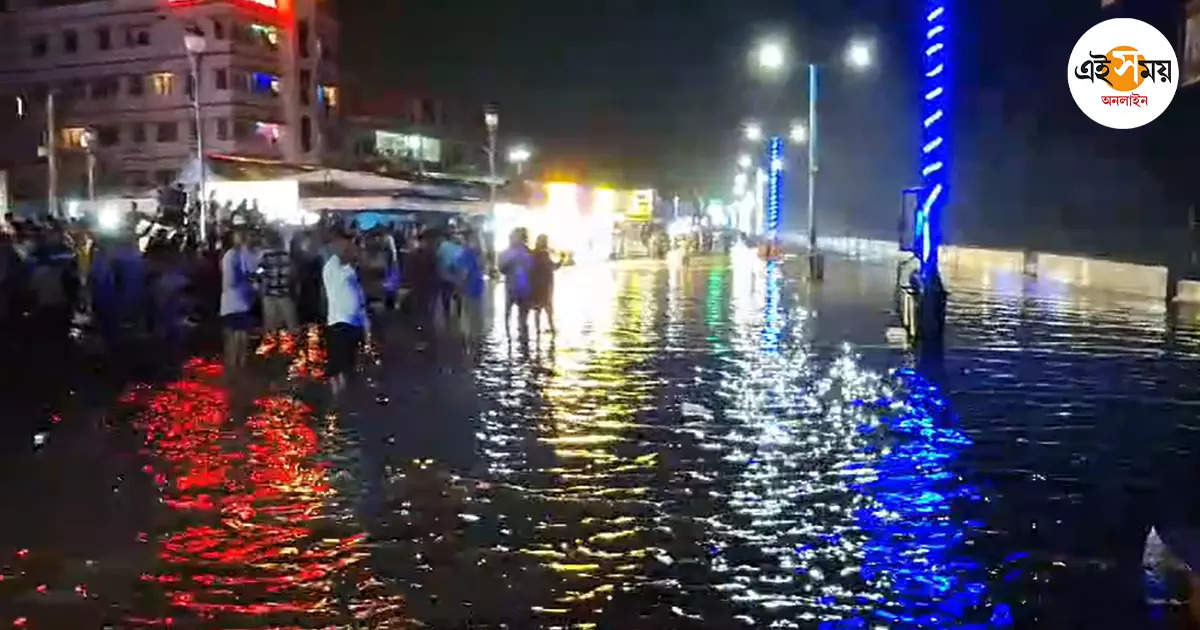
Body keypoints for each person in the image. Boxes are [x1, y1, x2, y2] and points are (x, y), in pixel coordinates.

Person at [323, 230, 370, 396]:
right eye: (349, 247)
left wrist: (366, 327)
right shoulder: (332, 267)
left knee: (350, 363)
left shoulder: (350, 271)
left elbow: (360, 300)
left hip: (354, 324)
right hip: (339, 323)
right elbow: (342, 251)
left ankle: (346, 396)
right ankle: (336, 397)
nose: (353, 251)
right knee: (338, 363)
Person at [219, 227, 257, 371]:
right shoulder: (237, 255)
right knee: (240, 333)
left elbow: (229, 280)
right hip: (240, 299)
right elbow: (249, 273)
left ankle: (233, 365)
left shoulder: (232, 255)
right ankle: (239, 364)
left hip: (233, 300)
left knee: (234, 333)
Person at [258, 229, 299, 353]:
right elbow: (294, 275)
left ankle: (272, 355)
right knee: (291, 327)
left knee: (270, 328)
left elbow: (260, 275)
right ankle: (292, 353)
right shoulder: (287, 256)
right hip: (285, 295)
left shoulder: (265, 256)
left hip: (270, 296)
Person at [497, 227, 533, 340]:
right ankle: (509, 335)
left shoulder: (528, 252)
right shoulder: (505, 253)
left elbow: (532, 269)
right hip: (512, 287)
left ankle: (522, 335)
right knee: (509, 312)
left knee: (522, 315)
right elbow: (501, 269)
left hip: (523, 287)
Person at [530, 234, 561, 335]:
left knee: (537, 309)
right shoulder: (544, 254)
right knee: (549, 307)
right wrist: (562, 260)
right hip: (546, 284)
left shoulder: (533, 253)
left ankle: (537, 330)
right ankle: (552, 329)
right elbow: (553, 267)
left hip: (535, 284)